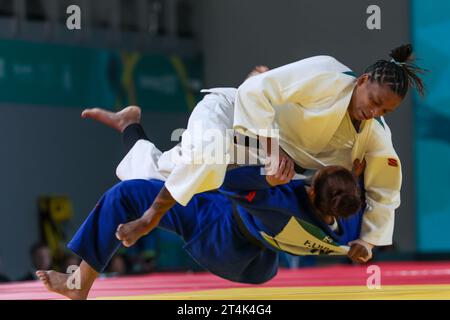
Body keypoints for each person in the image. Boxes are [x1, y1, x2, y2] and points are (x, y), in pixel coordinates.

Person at [82, 44, 425, 262]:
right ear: (363, 80)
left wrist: (369, 240)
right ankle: (149, 218)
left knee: (156, 173)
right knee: (205, 158)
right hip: (231, 115)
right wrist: (273, 150)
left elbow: (386, 191)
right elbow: (256, 91)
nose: (376, 113)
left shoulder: (375, 136)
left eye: (386, 112)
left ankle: (129, 124)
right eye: (375, 102)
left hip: (260, 154)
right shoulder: (327, 73)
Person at [36, 123, 364, 299]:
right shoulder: (344, 229)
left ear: (311, 187)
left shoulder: (282, 195)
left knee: (129, 194)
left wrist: (266, 171)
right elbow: (349, 207)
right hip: (258, 264)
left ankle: (79, 284)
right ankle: (131, 130)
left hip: (218, 236)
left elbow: (226, 182)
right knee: (160, 177)